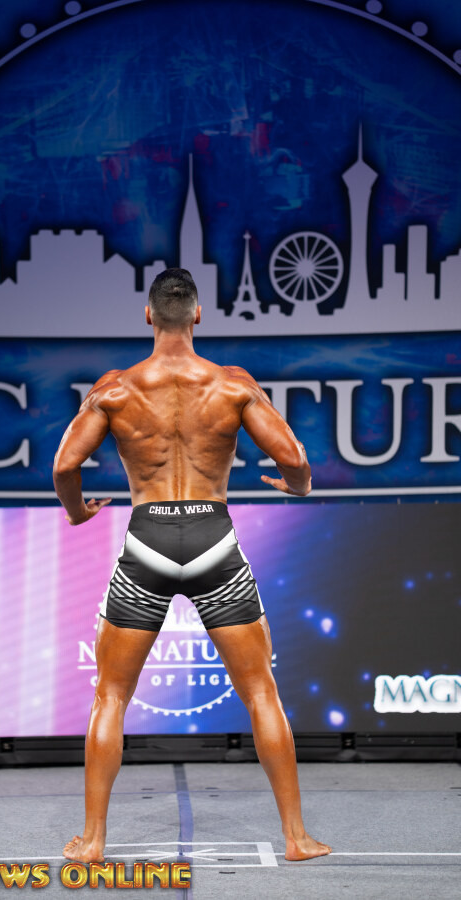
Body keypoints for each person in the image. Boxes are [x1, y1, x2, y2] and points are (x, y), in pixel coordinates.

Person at [53, 267, 331, 864]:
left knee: (111, 696)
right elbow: (293, 456)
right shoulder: (232, 385)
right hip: (213, 540)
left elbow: (64, 466)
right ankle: (297, 838)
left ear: (148, 316)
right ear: (198, 315)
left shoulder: (115, 389)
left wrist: (77, 514)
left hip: (147, 541)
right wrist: (297, 486)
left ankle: (93, 842)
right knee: (260, 691)